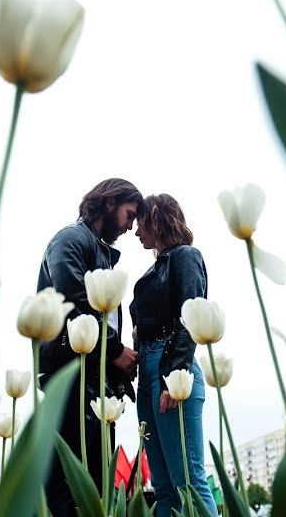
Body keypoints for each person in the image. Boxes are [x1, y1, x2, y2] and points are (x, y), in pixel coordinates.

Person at [38, 178, 142, 517]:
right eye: (130, 214)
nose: (130, 226)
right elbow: (73, 302)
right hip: (70, 372)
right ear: (110, 203)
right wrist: (115, 350)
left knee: (96, 482)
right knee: (68, 480)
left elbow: (104, 317)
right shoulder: (70, 239)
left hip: (95, 378)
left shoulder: (100, 253)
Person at [130, 193, 219, 516]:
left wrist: (175, 377)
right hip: (147, 372)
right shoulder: (154, 269)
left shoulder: (186, 257)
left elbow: (190, 315)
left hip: (171, 367)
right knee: (163, 485)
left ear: (155, 219)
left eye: (141, 223)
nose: (137, 232)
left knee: (189, 481)